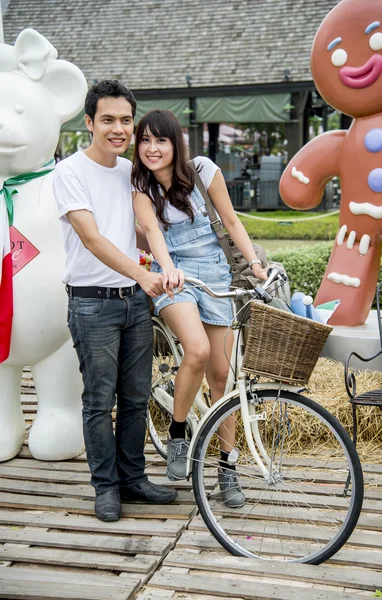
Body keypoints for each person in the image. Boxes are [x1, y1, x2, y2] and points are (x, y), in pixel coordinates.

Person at [53, 82, 178, 523]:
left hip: (133, 303)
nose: (119, 128)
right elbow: (91, 237)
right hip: (92, 305)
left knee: (136, 396)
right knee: (98, 398)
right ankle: (105, 486)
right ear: (89, 123)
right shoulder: (69, 172)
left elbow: (146, 229)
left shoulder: (131, 172)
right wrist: (146, 274)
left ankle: (134, 479)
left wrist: (167, 262)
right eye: (108, 119)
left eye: (126, 120)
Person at [131, 109, 270, 508]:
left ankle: (228, 466)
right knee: (198, 349)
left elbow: (231, 221)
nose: (152, 149)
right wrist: (169, 269)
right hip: (173, 275)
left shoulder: (204, 171)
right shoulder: (140, 187)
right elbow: (153, 233)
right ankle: (178, 434)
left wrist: (256, 265)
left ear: (176, 143)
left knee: (223, 376)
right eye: (145, 141)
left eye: (161, 140)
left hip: (214, 272)